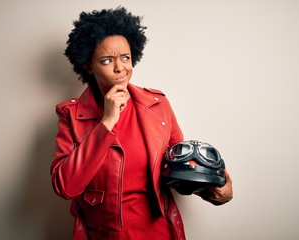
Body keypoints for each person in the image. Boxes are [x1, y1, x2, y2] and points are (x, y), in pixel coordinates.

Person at [50, 6, 233, 240]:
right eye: (107, 60)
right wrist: (106, 122)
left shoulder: (158, 105)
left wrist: (215, 190)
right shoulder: (71, 115)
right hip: (104, 236)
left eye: (125, 58)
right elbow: (65, 186)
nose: (120, 68)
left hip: (160, 231)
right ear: (88, 66)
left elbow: (178, 169)